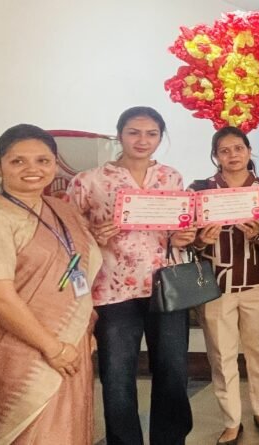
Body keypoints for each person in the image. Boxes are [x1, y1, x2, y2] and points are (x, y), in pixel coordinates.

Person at [0, 124, 101, 444]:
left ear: (55, 165)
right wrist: (53, 348)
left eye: (42, 160)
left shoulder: (62, 210)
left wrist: (83, 331)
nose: (32, 169)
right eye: (18, 161)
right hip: (11, 348)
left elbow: (78, 270)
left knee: (68, 429)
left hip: (69, 340)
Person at [67, 106, 197, 444]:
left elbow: (177, 229)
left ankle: (170, 440)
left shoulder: (170, 177)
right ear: (120, 135)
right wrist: (93, 236)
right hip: (111, 290)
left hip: (166, 286)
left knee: (173, 372)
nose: (142, 140)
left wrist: (183, 236)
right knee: (117, 376)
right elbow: (68, 234)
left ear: (160, 137)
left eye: (151, 134)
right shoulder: (89, 181)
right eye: (134, 132)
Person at [189, 127, 259, 444]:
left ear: (248, 151)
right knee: (221, 355)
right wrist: (202, 240)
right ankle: (231, 420)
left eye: (238, 148)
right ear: (215, 156)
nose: (232, 155)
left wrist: (258, 236)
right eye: (224, 150)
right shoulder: (200, 190)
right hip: (215, 286)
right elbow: (187, 241)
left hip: (258, 282)